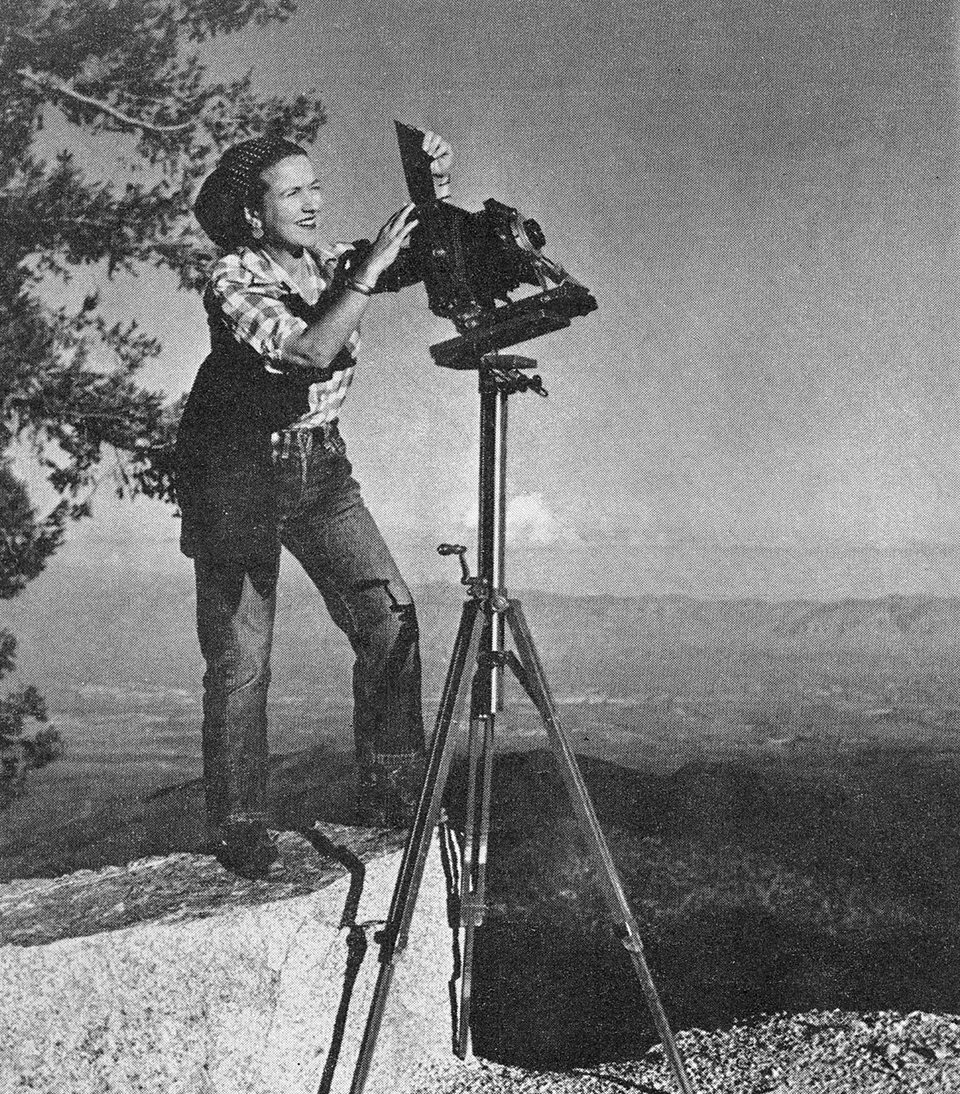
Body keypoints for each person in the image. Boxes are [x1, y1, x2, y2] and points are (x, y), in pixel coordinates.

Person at [175, 129, 453, 877]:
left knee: (391, 621)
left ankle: (394, 804)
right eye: (292, 191)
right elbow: (305, 351)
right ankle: (240, 827)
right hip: (236, 476)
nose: (312, 201)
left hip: (320, 468)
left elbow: (419, 249)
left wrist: (434, 184)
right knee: (242, 662)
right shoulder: (232, 277)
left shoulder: (328, 263)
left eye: (315, 186)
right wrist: (365, 279)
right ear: (253, 214)